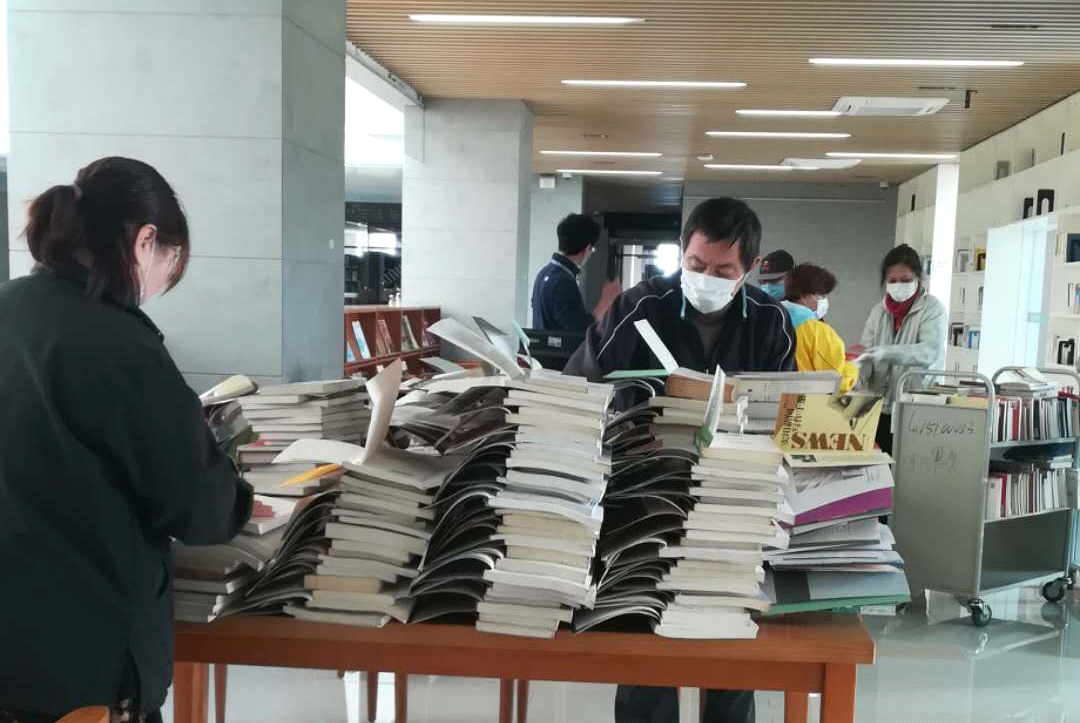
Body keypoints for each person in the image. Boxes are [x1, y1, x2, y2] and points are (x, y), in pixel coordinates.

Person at [0, 157, 255, 723]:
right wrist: (237, 492)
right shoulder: (118, 343)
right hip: (80, 671)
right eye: (170, 263)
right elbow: (201, 509)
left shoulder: (8, 310)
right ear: (145, 241)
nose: (160, 285)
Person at [565, 197, 794, 723]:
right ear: (682, 252)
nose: (706, 278)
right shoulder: (639, 307)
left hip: (732, 506)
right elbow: (580, 386)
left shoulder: (770, 322)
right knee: (645, 651)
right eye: (695, 264)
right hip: (643, 498)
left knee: (729, 652)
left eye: (723, 271)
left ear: (749, 269)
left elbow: (785, 418)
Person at [856, 244, 947, 453]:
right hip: (876, 407)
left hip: (914, 406)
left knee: (907, 464)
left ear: (918, 279)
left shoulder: (932, 309)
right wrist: (855, 379)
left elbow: (929, 351)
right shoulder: (878, 311)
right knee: (877, 465)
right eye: (892, 281)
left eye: (906, 280)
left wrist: (885, 353)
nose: (899, 286)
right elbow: (866, 354)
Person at [531, 213, 622, 332]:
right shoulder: (563, 281)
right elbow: (579, 331)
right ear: (588, 248)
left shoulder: (544, 273)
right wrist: (605, 301)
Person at [781, 264, 859, 393]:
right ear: (804, 295)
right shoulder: (816, 331)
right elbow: (837, 382)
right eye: (822, 295)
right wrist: (852, 365)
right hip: (802, 401)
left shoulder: (770, 318)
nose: (825, 301)